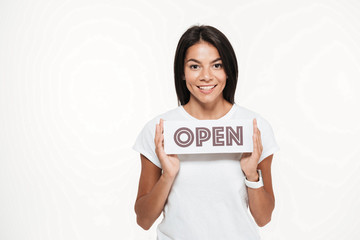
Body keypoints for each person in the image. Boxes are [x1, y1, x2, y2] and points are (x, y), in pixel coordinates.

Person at [133, 24, 280, 239]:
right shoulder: (160, 129)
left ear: (228, 70)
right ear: (182, 73)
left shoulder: (254, 127)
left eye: (217, 65)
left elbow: (264, 217)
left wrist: (251, 174)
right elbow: (143, 220)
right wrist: (168, 176)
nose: (206, 76)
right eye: (195, 66)